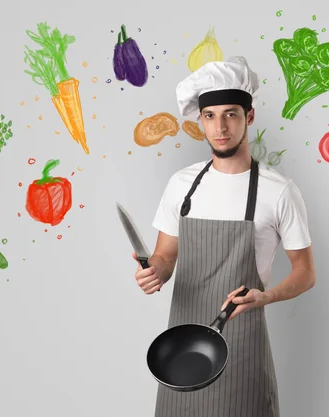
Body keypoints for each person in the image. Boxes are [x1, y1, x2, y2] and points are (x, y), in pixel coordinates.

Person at [132, 56, 316, 417]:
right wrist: (154, 270)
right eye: (210, 115)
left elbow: (305, 273)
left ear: (249, 116)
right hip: (182, 349)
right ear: (201, 120)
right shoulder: (182, 185)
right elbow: (166, 256)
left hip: (242, 347)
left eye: (230, 113)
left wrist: (265, 296)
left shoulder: (279, 191)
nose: (220, 127)